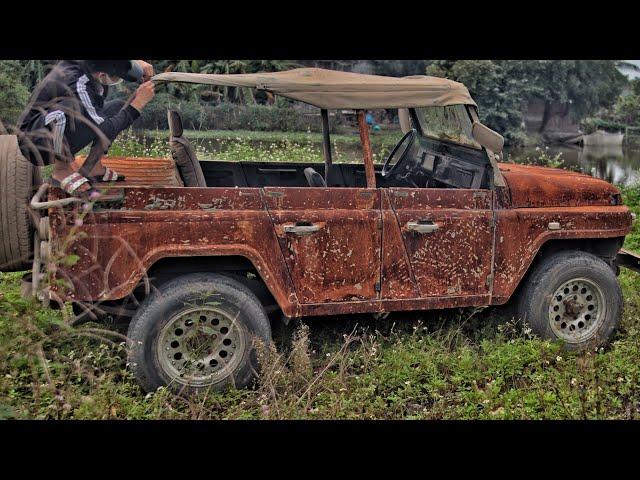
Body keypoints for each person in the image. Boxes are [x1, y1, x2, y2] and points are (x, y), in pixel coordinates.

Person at [17, 60, 156, 199]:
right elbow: (106, 129)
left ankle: (94, 166)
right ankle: (61, 170)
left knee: (117, 108)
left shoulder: (91, 67)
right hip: (34, 141)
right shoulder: (78, 83)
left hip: (52, 125)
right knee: (73, 107)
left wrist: (134, 63)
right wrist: (138, 104)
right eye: (117, 77)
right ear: (102, 73)